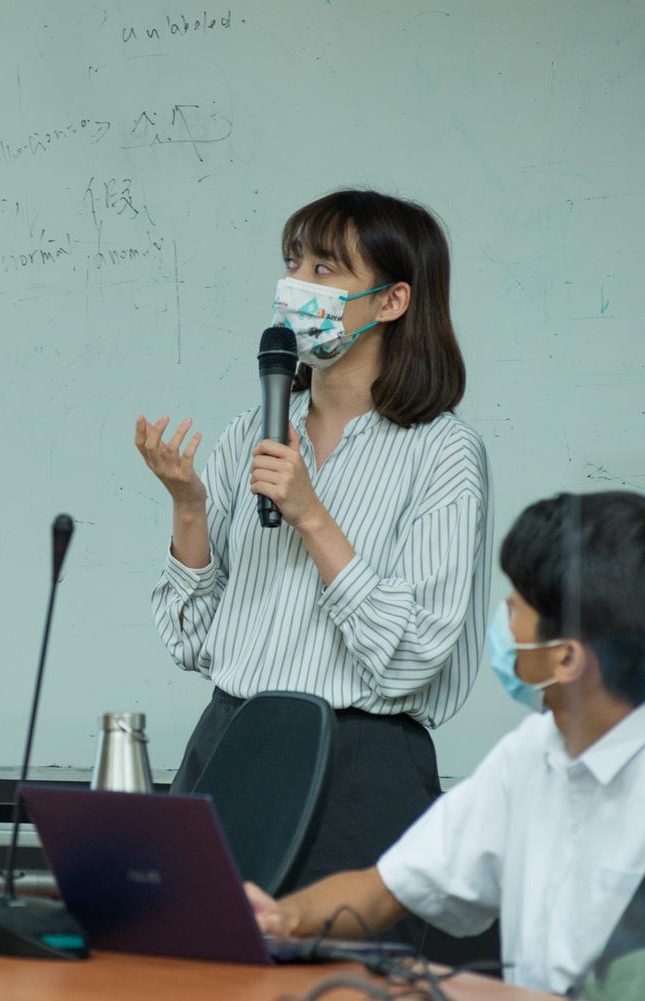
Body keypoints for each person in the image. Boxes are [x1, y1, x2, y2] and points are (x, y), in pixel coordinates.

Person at [245, 490, 645, 997]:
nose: (502, 623)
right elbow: (387, 889)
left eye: (515, 608)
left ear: (566, 658)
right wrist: (279, 919)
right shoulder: (534, 751)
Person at [134, 189, 490, 904]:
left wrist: (311, 515)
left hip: (357, 766)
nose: (295, 284)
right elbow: (191, 639)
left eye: (324, 269)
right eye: (293, 262)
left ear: (390, 301)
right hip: (228, 742)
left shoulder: (442, 451)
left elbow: (412, 653)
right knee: (187, 955)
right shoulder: (254, 430)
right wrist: (189, 509)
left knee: (334, 964)